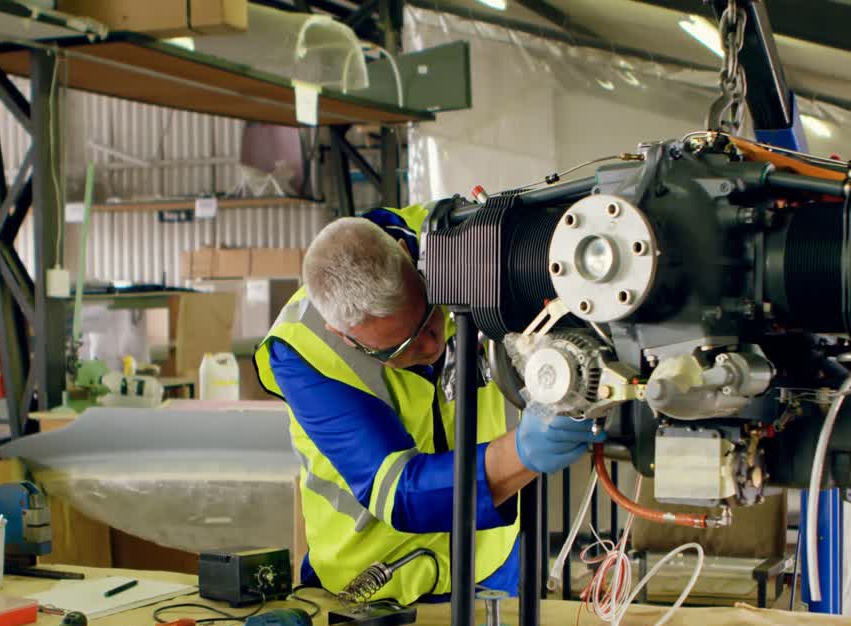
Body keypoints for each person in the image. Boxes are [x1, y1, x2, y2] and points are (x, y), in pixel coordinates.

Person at [254, 206, 601, 605]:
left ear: (406, 254)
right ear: (345, 336)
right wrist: (522, 452)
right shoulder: (303, 348)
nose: (433, 346)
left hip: (491, 568)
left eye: (429, 320)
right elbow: (397, 491)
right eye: (402, 347)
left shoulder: (459, 239)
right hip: (375, 589)